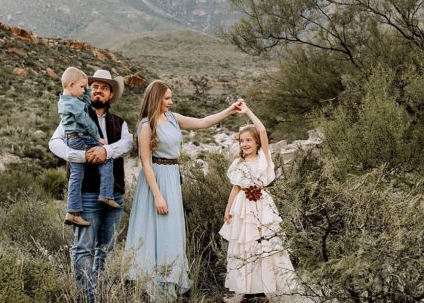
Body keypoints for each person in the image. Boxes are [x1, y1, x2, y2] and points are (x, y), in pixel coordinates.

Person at [124, 81, 245, 299]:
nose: (171, 102)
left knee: (171, 230)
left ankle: (170, 279)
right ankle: (154, 286)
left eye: (171, 98)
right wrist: (158, 195)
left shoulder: (172, 118)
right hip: (156, 181)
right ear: (157, 98)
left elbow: (203, 122)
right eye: (167, 98)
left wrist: (229, 111)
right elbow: (145, 163)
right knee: (155, 229)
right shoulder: (146, 125)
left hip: (172, 177)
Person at [49, 70, 132, 303]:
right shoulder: (75, 112)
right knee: (84, 248)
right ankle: (87, 298)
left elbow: (127, 144)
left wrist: (106, 150)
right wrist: (80, 155)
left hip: (114, 192)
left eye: (104, 88)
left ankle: (103, 295)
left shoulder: (120, 123)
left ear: (111, 94)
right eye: (94, 86)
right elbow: (54, 142)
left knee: (107, 248)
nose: (98, 90)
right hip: (86, 192)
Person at [220, 103, 299, 298]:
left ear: (257, 143)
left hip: (262, 205)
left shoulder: (264, 158)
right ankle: (248, 289)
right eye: (241, 141)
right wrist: (228, 210)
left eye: (248, 140)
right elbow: (235, 188)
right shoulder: (238, 163)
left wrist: (247, 111)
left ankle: (265, 286)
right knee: (245, 243)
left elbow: (262, 129)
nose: (244, 144)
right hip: (242, 207)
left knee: (265, 243)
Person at [58, 66, 119, 226]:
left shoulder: (66, 101)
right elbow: (86, 122)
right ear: (71, 85)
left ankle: (72, 212)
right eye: (83, 87)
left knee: (76, 175)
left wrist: (85, 91)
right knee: (106, 157)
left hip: (73, 139)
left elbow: (84, 101)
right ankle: (106, 194)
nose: (86, 90)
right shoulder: (75, 106)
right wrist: (98, 138)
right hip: (82, 138)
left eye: (87, 88)